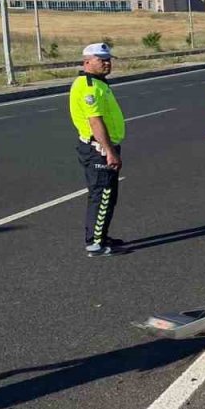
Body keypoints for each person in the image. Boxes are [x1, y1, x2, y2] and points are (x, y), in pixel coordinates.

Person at [69, 43, 126, 256]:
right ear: (87, 62)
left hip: (101, 147)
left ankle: (100, 235)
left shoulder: (98, 84)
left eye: (108, 59)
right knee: (101, 195)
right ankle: (95, 243)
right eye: (101, 60)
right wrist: (109, 151)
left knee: (107, 195)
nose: (107, 63)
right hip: (98, 149)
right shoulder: (90, 87)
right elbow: (95, 122)